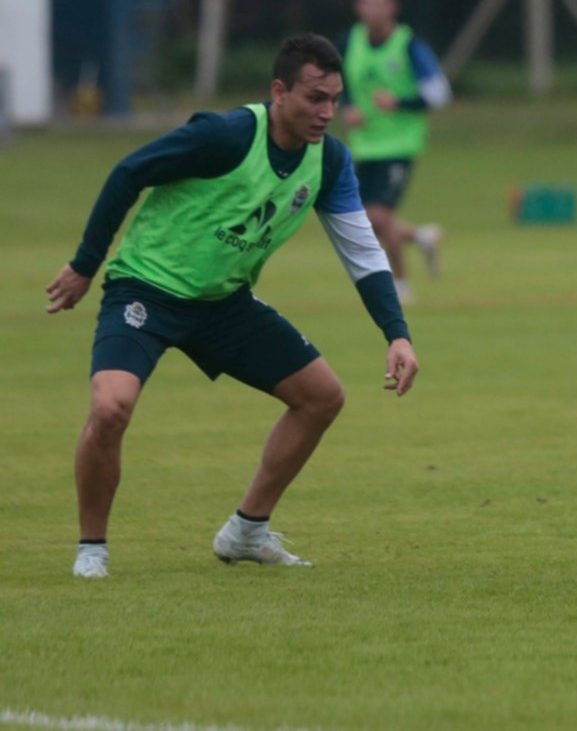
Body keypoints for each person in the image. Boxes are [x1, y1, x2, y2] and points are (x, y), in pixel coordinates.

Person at [46, 34, 419, 578]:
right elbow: (129, 172)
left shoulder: (330, 162)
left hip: (223, 304)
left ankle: (246, 531)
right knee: (110, 408)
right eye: (315, 97)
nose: (327, 112)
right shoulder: (224, 135)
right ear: (279, 91)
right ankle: (92, 549)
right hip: (147, 288)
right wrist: (85, 265)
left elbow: (363, 252)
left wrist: (397, 333)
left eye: (335, 99)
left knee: (322, 398)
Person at [339, 0, 452, 302]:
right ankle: (421, 236)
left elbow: (440, 93)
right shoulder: (350, 41)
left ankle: (400, 285)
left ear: (393, 8)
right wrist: (348, 107)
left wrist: (400, 102)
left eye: (380, 3)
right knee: (364, 221)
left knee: (378, 218)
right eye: (367, 3)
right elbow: (337, 78)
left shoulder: (409, 44)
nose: (373, 10)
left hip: (400, 143)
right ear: (358, 8)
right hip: (364, 143)